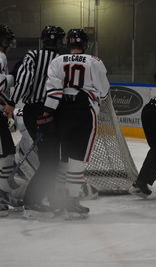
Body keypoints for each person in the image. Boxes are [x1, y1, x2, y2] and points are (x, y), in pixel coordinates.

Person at [41, 28, 110, 218]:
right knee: (78, 156)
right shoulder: (94, 61)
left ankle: (57, 197)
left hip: (62, 111)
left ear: (68, 43)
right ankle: (72, 200)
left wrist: (49, 113)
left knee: (63, 156)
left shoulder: (57, 61)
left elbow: (53, 90)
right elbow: (103, 91)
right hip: (83, 111)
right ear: (85, 44)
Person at [4, 25, 65, 216]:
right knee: (50, 160)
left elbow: (24, 80)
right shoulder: (61, 60)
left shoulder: (33, 55)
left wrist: (13, 102)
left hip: (35, 112)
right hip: (49, 112)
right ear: (60, 41)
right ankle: (33, 199)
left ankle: (42, 196)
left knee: (50, 159)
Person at [0, 24, 17, 217]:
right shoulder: (0, 56)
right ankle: (1, 194)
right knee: (7, 155)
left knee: (7, 153)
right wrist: (14, 76)